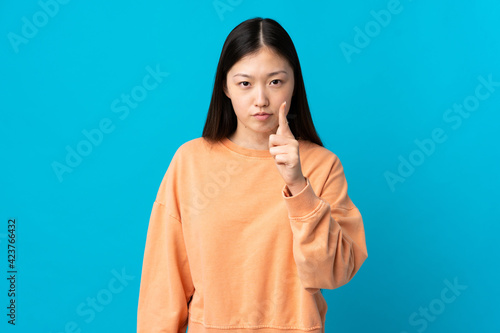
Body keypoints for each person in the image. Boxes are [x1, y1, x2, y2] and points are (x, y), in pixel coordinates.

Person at [137, 17, 368, 333]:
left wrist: (298, 185)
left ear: (294, 83)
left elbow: (333, 273)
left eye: (275, 82)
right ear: (226, 86)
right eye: (245, 83)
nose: (261, 99)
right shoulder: (189, 162)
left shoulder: (321, 165)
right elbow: (162, 286)